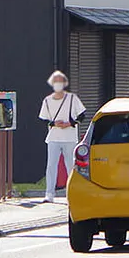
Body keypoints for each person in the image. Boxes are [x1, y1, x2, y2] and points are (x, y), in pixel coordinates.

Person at [38, 71, 86, 203]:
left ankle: (71, 193)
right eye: (56, 81)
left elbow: (82, 115)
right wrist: (53, 123)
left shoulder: (72, 98)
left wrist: (70, 123)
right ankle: (49, 193)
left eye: (60, 81)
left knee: (70, 165)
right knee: (51, 165)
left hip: (70, 137)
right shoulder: (47, 101)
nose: (58, 83)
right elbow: (43, 118)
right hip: (53, 137)